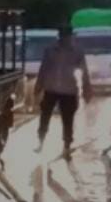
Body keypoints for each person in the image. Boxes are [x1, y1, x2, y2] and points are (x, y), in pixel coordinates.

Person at [35, 26, 91, 160]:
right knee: (45, 116)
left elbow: (84, 71)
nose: (65, 39)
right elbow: (43, 68)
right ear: (59, 37)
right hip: (51, 89)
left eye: (68, 36)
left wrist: (87, 88)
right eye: (63, 37)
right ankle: (41, 142)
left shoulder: (77, 51)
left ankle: (67, 145)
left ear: (71, 37)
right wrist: (39, 85)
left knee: (68, 119)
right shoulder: (50, 50)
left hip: (69, 91)